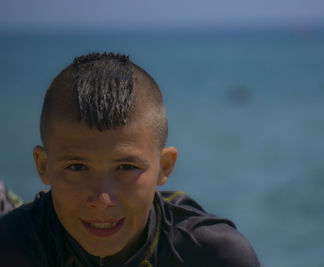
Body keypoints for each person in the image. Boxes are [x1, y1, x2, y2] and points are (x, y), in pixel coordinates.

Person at [0, 52, 260, 266]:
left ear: (164, 167)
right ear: (43, 166)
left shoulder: (213, 256)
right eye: (77, 167)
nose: (102, 200)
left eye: (126, 167)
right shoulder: (12, 248)